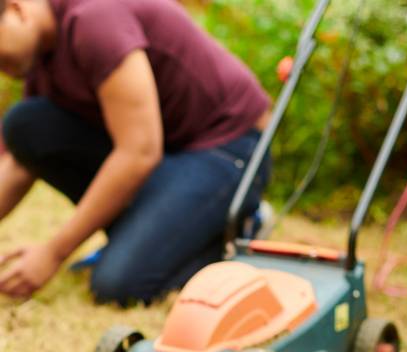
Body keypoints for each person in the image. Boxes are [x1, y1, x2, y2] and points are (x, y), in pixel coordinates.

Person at [0, 0, 272, 304]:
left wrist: (53, 253)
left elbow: (139, 152)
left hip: (228, 146)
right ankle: (148, 234)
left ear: (17, 10)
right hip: (165, 152)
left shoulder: (94, 20)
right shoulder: (42, 57)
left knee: (118, 285)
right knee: (26, 124)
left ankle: (235, 230)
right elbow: (18, 164)